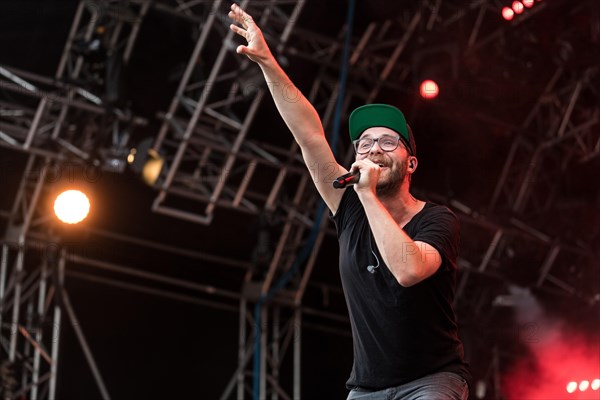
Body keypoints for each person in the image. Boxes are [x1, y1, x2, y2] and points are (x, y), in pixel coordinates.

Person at [228, 4, 470, 399]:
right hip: (366, 388)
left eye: (388, 142)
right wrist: (268, 63)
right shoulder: (350, 205)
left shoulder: (438, 220)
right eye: (365, 143)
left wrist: (366, 193)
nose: (375, 149)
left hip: (431, 379)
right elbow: (309, 135)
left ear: (410, 162)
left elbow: (408, 270)